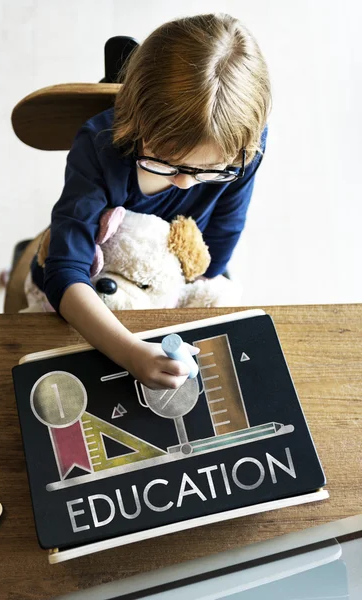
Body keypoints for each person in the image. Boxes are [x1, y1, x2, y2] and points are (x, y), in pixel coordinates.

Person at [29, 13, 271, 390]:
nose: (186, 182)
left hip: (167, 280)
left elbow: (223, 235)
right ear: (136, 118)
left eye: (209, 171)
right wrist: (130, 352)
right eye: (163, 160)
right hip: (95, 284)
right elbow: (63, 271)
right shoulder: (99, 145)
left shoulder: (244, 152)